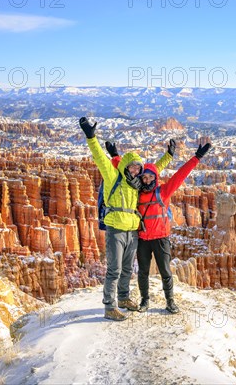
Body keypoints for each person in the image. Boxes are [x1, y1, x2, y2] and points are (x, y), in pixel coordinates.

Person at [79, 117, 173, 321]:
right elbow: (99, 158)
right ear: (126, 166)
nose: (136, 170)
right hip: (116, 230)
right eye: (133, 167)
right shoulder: (113, 176)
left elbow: (155, 170)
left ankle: (123, 298)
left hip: (132, 230)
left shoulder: (138, 183)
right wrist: (91, 136)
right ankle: (109, 306)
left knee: (128, 269)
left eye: (138, 168)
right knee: (114, 269)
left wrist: (169, 156)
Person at [108, 141, 211, 314]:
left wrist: (197, 157)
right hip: (143, 239)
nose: (147, 180)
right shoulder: (137, 192)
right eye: (144, 177)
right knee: (143, 272)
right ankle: (144, 300)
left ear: (155, 178)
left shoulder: (163, 191)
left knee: (165, 271)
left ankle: (170, 301)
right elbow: (124, 170)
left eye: (150, 177)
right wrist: (115, 157)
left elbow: (180, 175)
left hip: (161, 239)